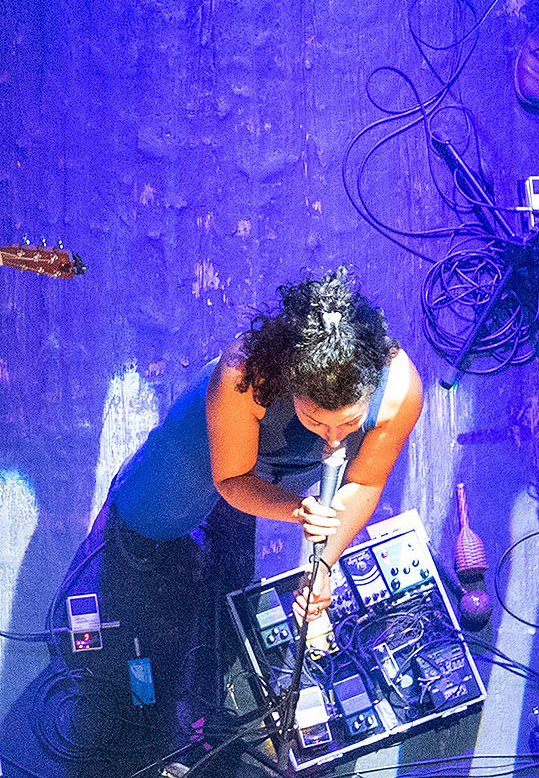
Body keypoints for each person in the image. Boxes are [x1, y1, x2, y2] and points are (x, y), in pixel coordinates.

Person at [95, 270, 423, 734]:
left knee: (242, 537)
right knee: (149, 514)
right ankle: (138, 514)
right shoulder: (243, 373)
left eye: (349, 423)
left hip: (289, 459)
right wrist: (298, 510)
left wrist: (323, 565)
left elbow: (365, 482)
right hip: (208, 436)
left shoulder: (401, 391)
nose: (335, 441)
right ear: (291, 381)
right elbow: (231, 478)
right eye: (317, 419)